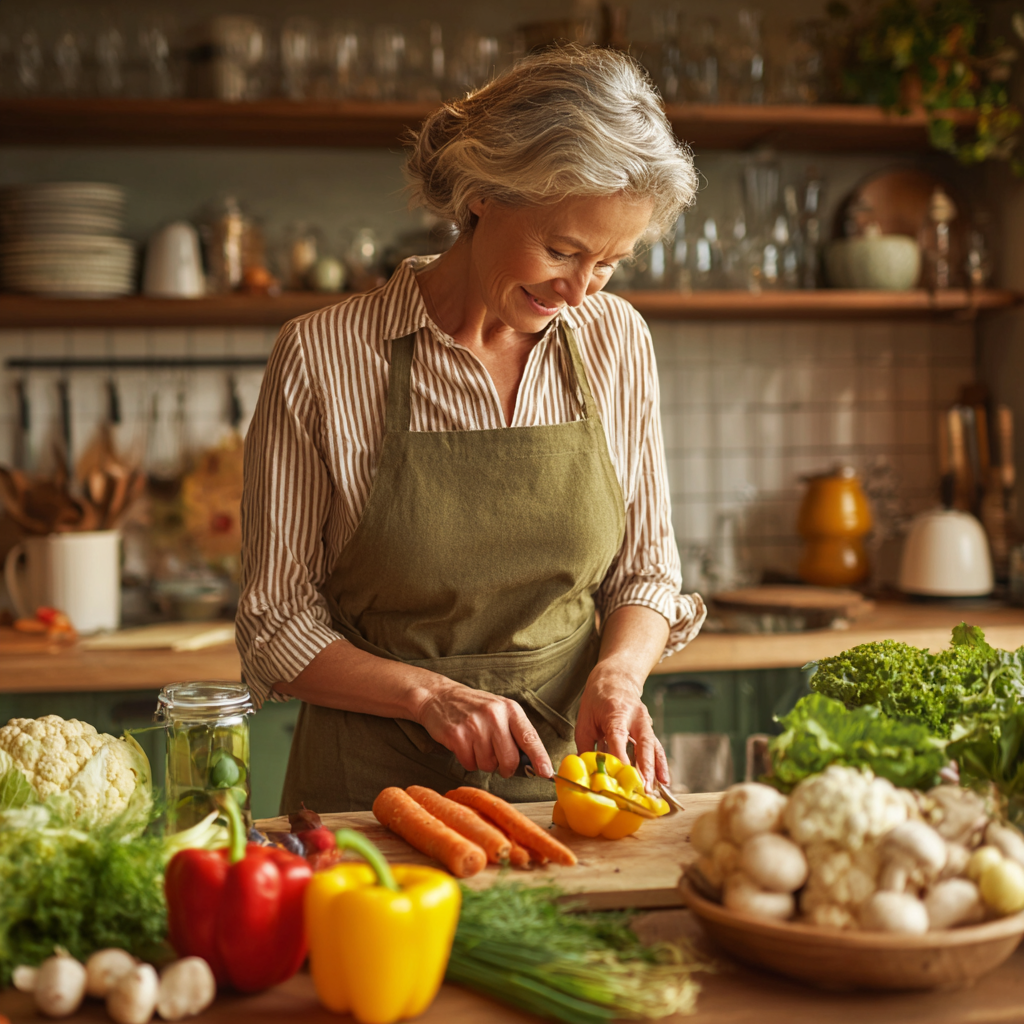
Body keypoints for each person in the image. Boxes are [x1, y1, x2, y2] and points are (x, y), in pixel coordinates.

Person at [237, 44, 707, 813]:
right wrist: (431, 697)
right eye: (562, 250)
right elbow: (274, 625)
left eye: (610, 263)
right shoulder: (322, 356)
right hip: (369, 801)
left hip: (564, 794)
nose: (580, 289)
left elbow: (646, 573)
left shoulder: (615, 339)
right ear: (485, 192)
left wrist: (618, 674)